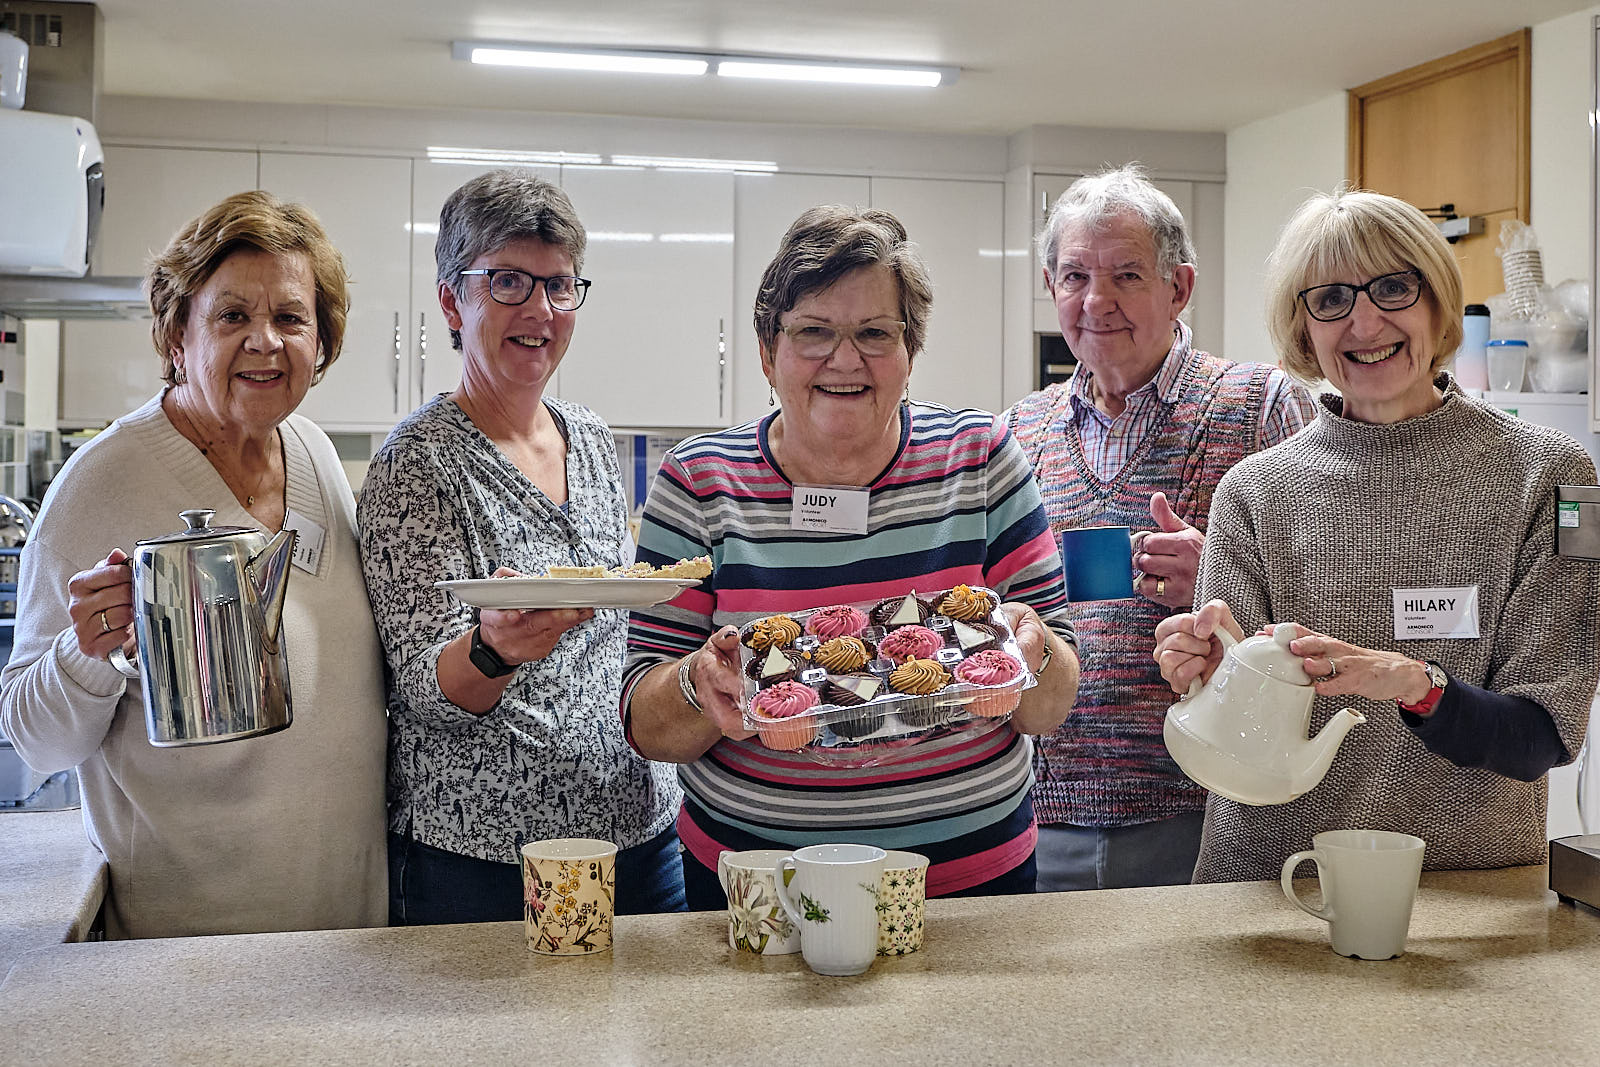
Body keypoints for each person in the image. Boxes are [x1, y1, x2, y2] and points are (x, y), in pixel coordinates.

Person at [621, 205, 1081, 908]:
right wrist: (698, 687)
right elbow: (643, 721)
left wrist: (1032, 650)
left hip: (968, 889)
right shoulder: (698, 483)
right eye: (813, 332)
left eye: (874, 333)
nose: (845, 359)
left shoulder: (981, 459)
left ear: (909, 353)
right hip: (760, 892)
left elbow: (1055, 701)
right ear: (767, 352)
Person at [1153, 189, 1600, 882]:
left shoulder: (1552, 477)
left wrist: (1416, 683)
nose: (1365, 320)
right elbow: (1232, 739)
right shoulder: (1254, 492)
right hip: (1275, 886)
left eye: (1393, 287)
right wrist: (1204, 674)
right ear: (1305, 330)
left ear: (1438, 303)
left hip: (1466, 899)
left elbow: (1544, 735)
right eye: (1330, 298)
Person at [0, 190, 387, 938]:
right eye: (233, 315)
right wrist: (88, 652)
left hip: (351, 935)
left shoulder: (316, 455)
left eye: (290, 317)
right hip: (189, 947)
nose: (265, 341)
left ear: (323, 339)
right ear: (179, 334)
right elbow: (32, 735)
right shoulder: (102, 482)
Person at [359, 169, 684, 924]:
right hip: (487, 862)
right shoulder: (418, 462)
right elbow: (419, 689)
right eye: (507, 281)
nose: (539, 309)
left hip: (638, 836)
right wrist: (494, 649)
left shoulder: (594, 439)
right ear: (451, 299)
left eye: (558, 285)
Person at [1004, 164, 1316, 892]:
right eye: (1075, 275)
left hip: (1211, 809)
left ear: (1180, 287)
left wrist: (1221, 580)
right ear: (1052, 288)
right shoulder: (1015, 432)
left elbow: (1332, 607)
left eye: (1126, 276)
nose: (1096, 300)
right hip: (1045, 813)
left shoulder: (1262, 407)